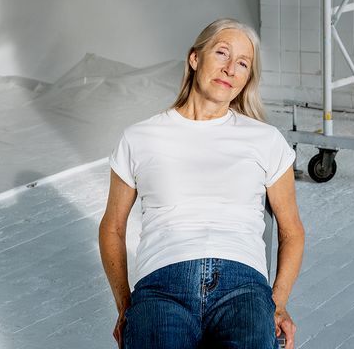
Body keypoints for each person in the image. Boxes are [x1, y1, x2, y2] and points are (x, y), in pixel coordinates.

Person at [99, 18, 305, 349]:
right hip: (163, 283)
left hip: (244, 287)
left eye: (242, 63)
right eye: (222, 53)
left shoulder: (265, 139)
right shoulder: (139, 137)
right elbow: (112, 227)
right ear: (195, 58)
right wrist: (126, 305)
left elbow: (291, 231)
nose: (230, 69)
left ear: (247, 78)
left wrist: (276, 303)